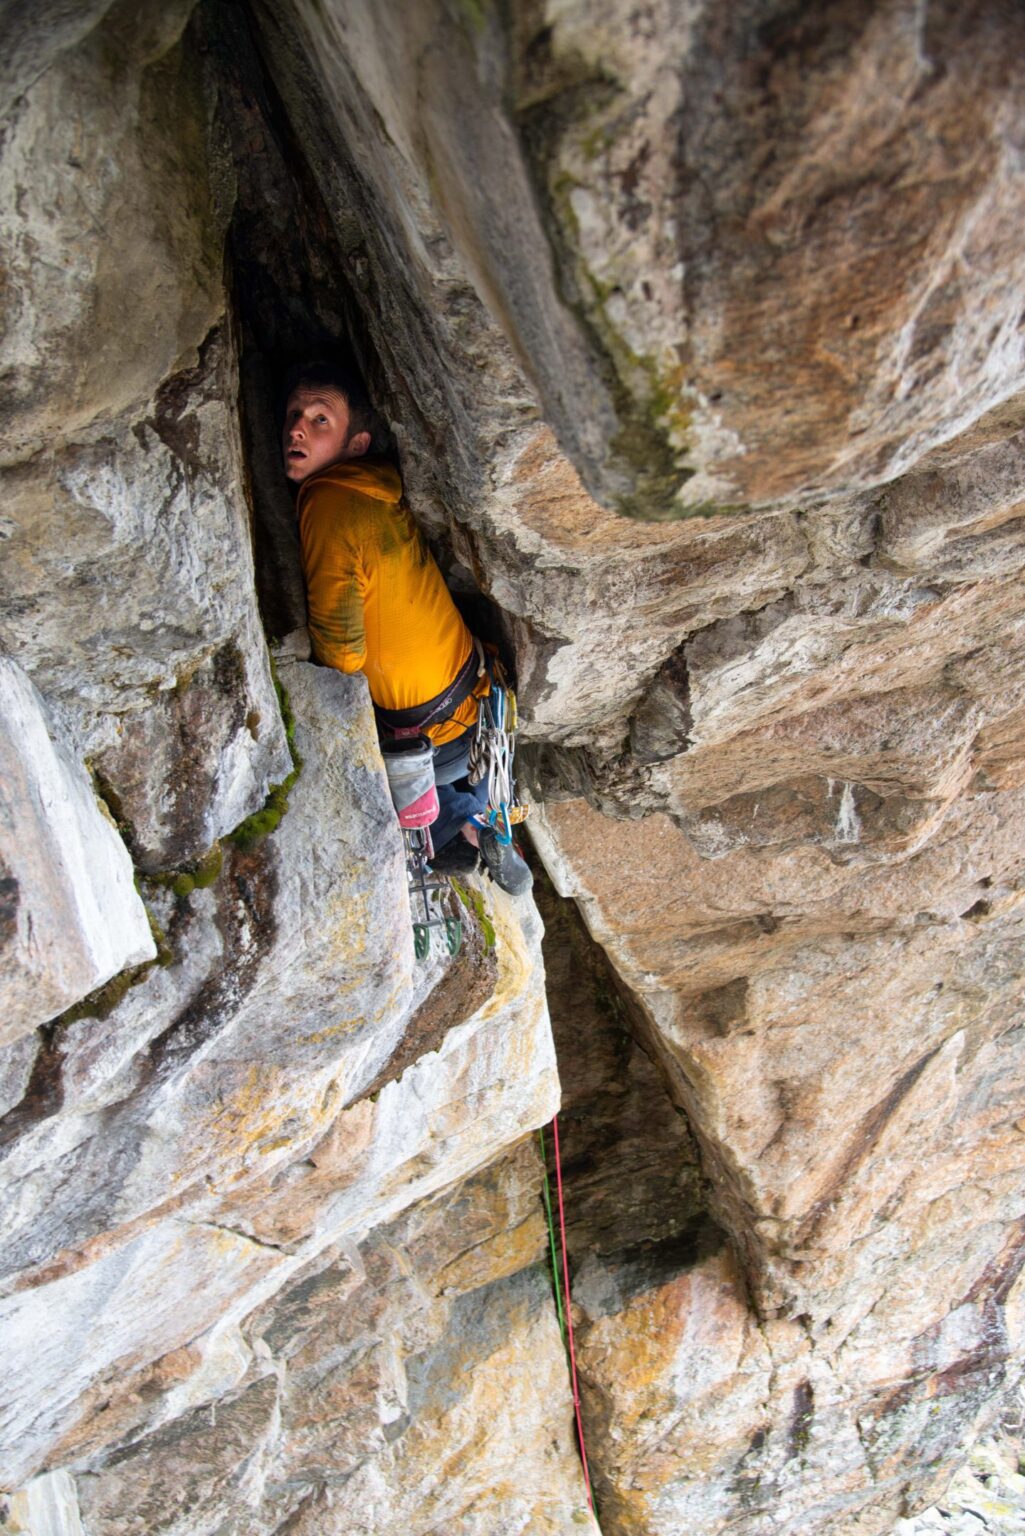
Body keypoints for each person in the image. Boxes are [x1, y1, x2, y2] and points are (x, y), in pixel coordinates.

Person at [282, 360, 532, 896]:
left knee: (400, 772)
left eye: (321, 420)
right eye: (295, 415)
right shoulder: (378, 489)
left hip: (434, 738)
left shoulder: (328, 502)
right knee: (452, 779)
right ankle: (477, 821)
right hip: (479, 695)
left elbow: (342, 657)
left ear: (357, 443)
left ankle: (459, 824)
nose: (297, 428)